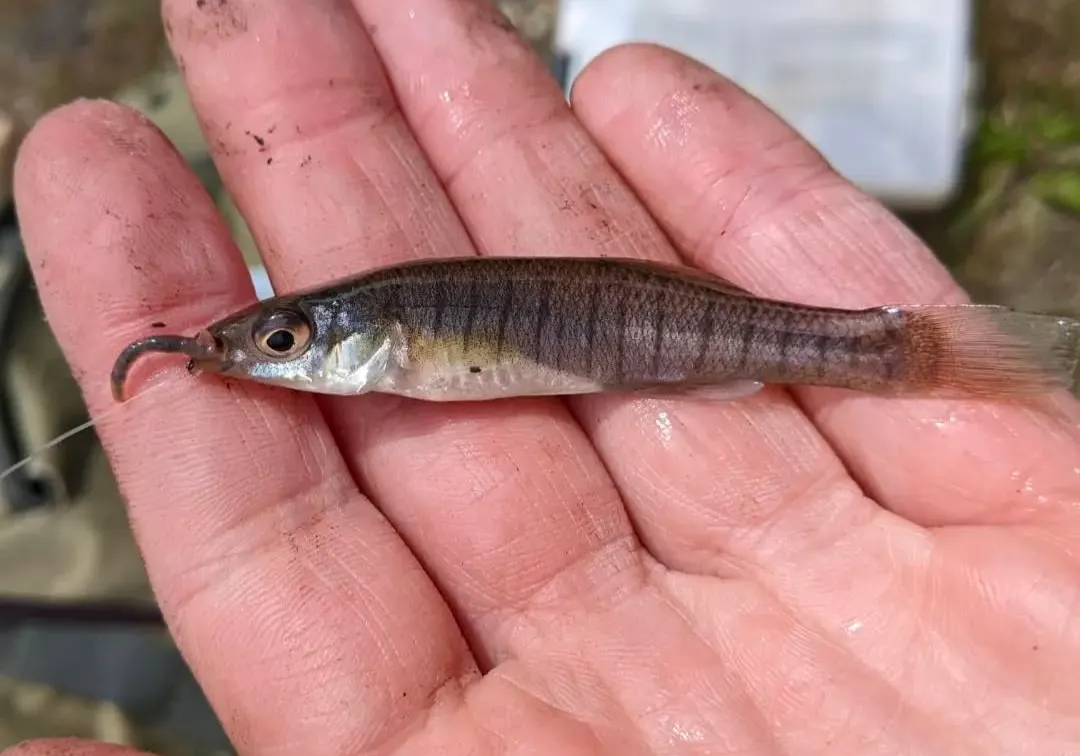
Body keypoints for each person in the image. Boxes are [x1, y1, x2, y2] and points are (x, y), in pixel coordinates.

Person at [7, 1, 1080, 754]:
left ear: (365, 337)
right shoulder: (385, 352)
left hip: (664, 326)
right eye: (276, 347)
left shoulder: (398, 341)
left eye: (283, 343)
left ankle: (920, 354)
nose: (268, 358)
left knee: (870, 340)